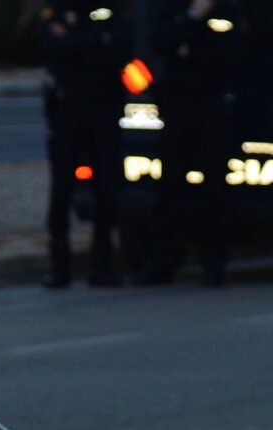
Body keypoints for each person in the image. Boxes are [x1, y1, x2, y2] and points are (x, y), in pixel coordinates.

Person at [133, 0, 243, 287]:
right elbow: (161, 42)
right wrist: (193, 20)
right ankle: (165, 260)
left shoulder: (226, 9)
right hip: (178, 104)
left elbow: (231, 52)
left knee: (215, 190)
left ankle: (213, 264)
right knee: (170, 188)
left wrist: (187, 42)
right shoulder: (174, 7)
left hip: (212, 105)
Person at [38, 0, 132, 288]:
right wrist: (96, 39)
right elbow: (51, 48)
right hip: (68, 109)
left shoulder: (111, 9)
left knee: (107, 189)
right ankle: (59, 264)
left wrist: (74, 42)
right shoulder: (57, 9)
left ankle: (102, 264)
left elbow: (121, 50)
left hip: (104, 108)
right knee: (62, 188)